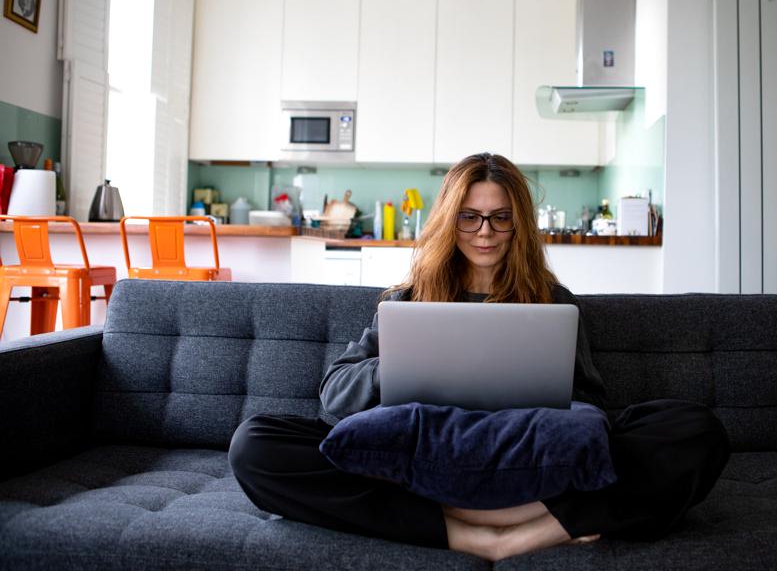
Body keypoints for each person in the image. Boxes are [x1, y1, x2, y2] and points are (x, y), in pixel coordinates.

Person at [229, 153, 730, 562]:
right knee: (256, 444)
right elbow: (335, 397)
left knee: (695, 431)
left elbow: (590, 403)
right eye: (469, 216)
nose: (484, 231)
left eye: (500, 217)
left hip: (525, 460)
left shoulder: (554, 302)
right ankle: (487, 533)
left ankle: (517, 528)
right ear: (450, 220)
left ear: (519, 225)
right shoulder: (409, 301)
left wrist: (537, 386)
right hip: (421, 461)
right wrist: (406, 364)